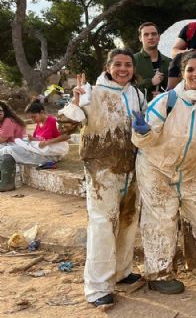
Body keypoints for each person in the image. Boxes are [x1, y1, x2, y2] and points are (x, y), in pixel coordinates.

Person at [132, 51, 196, 294]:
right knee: (162, 221)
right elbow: (146, 141)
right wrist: (144, 131)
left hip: (188, 170)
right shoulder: (166, 101)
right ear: (183, 73)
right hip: (155, 167)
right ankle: (159, 273)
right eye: (191, 70)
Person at [60, 49, 145, 309]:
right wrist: (75, 103)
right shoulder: (91, 92)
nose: (123, 69)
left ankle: (121, 272)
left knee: (128, 221)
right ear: (108, 67)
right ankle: (97, 287)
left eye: (128, 65)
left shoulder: (137, 94)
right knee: (102, 224)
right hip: (101, 170)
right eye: (118, 64)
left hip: (131, 168)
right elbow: (65, 125)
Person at [0, 101, 69, 166]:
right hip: (39, 150)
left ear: (42, 112)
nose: (33, 120)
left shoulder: (53, 121)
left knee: (9, 149)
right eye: (31, 118)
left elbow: (66, 136)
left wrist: (47, 142)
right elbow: (40, 139)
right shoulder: (39, 124)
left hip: (51, 154)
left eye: (34, 117)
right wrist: (33, 139)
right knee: (11, 146)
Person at [134, 22, 172, 100]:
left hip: (163, 109)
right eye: (146, 34)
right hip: (138, 110)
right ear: (140, 38)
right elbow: (126, 88)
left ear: (159, 37)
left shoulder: (169, 62)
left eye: (154, 34)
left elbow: (175, 90)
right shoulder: (132, 60)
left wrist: (163, 96)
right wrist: (150, 82)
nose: (150, 37)